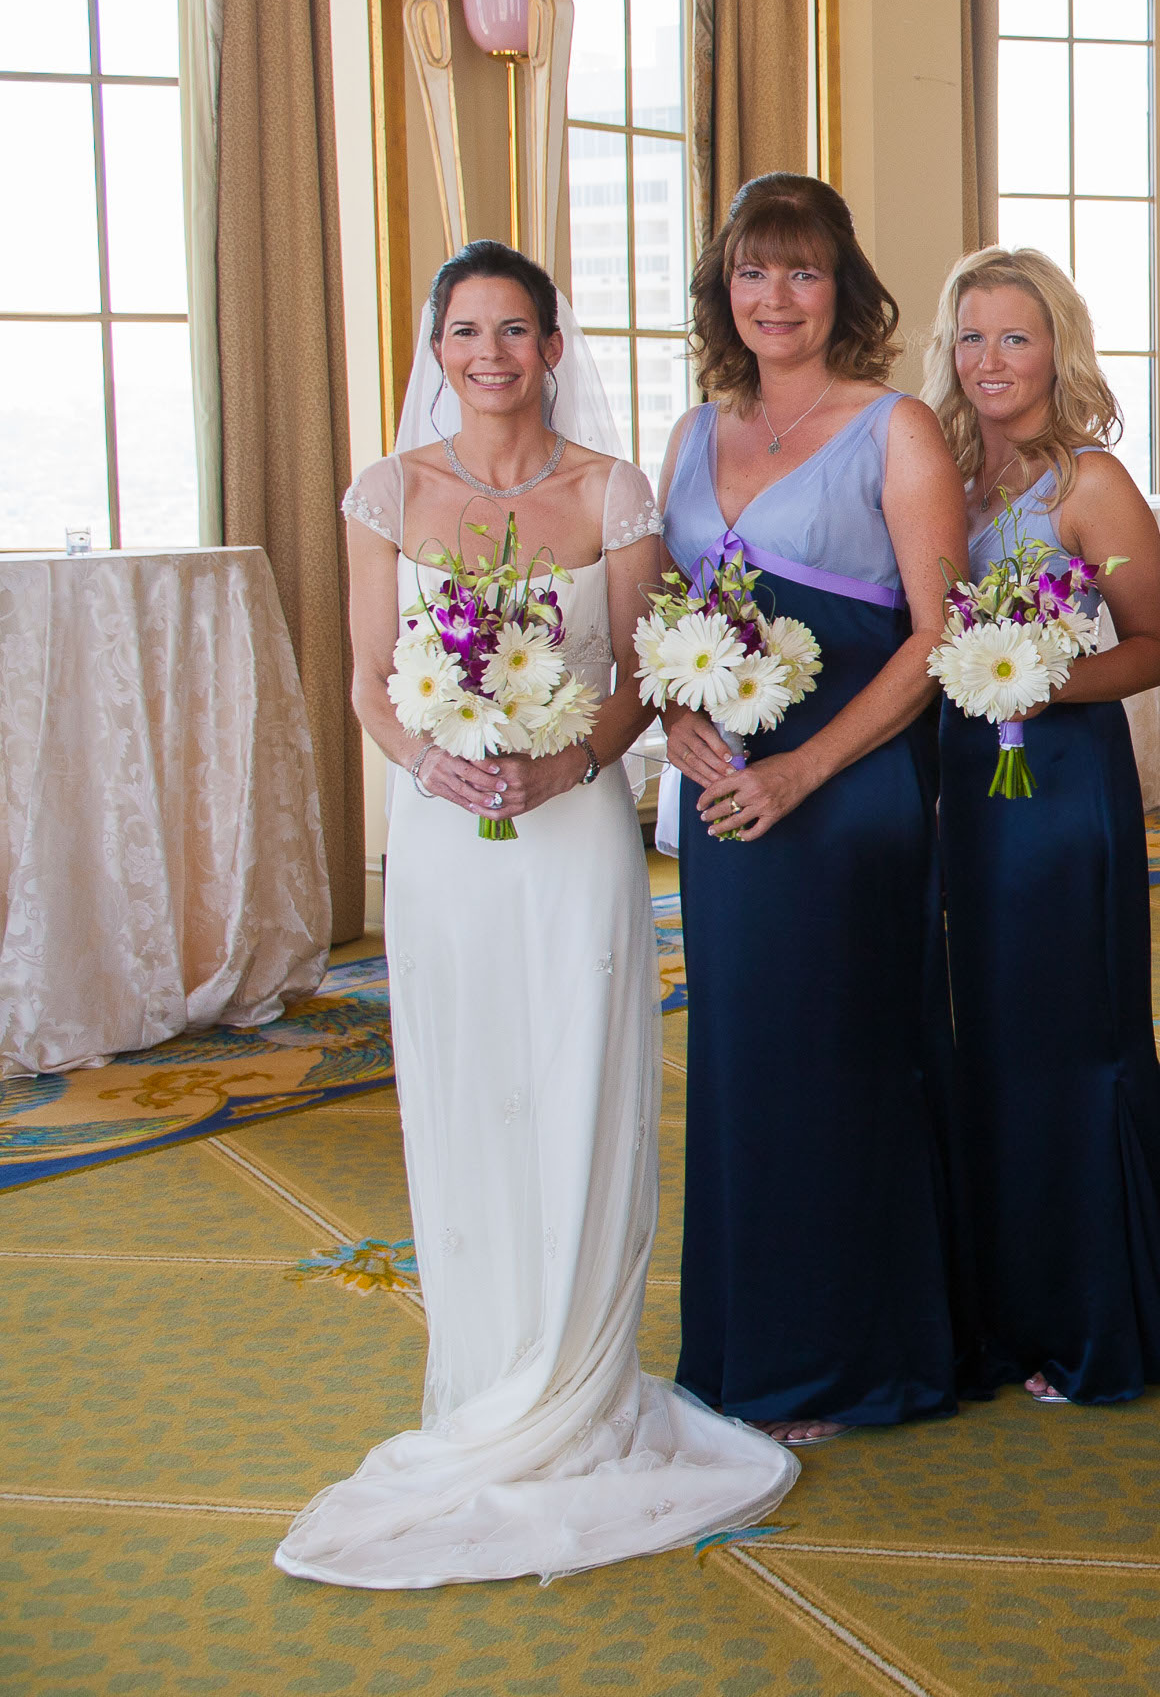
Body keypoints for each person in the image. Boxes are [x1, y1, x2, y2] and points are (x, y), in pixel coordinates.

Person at [284, 242, 794, 1587]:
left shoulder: (612, 491)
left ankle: (580, 1381)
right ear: (436, 348)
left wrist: (569, 763)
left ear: (553, 348)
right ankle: (487, 1371)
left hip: (571, 829)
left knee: (577, 1077)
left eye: (516, 330)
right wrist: (425, 758)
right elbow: (367, 685)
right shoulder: (385, 492)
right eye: (466, 330)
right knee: (466, 1086)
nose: (491, 354)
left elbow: (636, 675)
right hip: (446, 836)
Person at [922, 246, 1160, 1403]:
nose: (992, 360)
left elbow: (1156, 647)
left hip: (1060, 797)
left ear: (1057, 350)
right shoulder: (937, 472)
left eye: (1016, 336)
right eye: (972, 336)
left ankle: (1095, 1312)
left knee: (1070, 1044)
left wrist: (1048, 679)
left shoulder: (1089, 484)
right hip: (965, 795)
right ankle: (1000, 1306)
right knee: (986, 1047)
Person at [659, 174, 971, 1442]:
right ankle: (747, 1349)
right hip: (724, 806)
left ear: (841, 286)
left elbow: (934, 642)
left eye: (798, 271)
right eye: (750, 271)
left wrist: (803, 768)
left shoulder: (896, 429)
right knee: (740, 1069)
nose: (772, 296)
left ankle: (851, 1359)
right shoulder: (690, 433)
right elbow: (669, 611)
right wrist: (673, 717)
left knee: (838, 1066)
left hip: (843, 801)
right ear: (721, 289)